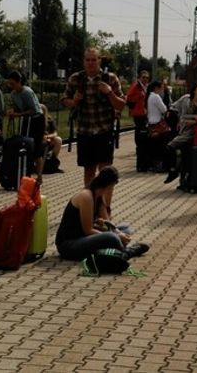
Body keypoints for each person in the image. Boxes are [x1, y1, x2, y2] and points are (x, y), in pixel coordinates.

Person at [55, 166, 149, 262]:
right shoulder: (86, 196)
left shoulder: (99, 196)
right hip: (69, 244)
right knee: (112, 237)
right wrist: (116, 236)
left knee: (126, 229)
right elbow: (88, 230)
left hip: (85, 238)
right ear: (110, 185)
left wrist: (118, 232)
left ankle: (117, 250)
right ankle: (126, 252)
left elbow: (107, 223)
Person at [63, 48, 126, 187]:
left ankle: (104, 205)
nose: (91, 63)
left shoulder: (110, 78)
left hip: (104, 130)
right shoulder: (76, 79)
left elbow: (121, 105)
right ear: (84, 61)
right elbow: (65, 100)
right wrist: (73, 101)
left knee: (105, 171)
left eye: (94, 60)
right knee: (88, 170)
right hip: (85, 131)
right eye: (87, 60)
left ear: (99, 61)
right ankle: (90, 203)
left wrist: (109, 93)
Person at [167, 82, 197, 185]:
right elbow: (175, 109)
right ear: (194, 90)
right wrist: (179, 119)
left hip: (196, 134)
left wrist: (196, 121)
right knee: (184, 155)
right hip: (184, 131)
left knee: (172, 146)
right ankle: (181, 178)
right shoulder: (186, 99)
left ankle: (177, 172)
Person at [5, 70, 45, 176]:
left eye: (13, 84)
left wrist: (19, 115)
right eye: (10, 84)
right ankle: (26, 170)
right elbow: (17, 107)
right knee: (25, 144)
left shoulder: (27, 92)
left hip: (36, 120)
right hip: (26, 120)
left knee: (36, 147)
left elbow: (34, 109)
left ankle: (39, 175)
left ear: (19, 82)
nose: (11, 86)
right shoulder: (13, 94)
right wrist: (13, 111)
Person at [145, 79, 173, 177]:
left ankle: (154, 166)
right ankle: (161, 166)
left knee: (154, 147)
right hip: (158, 125)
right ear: (157, 88)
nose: (162, 90)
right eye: (161, 88)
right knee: (161, 147)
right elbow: (164, 109)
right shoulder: (156, 96)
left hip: (151, 124)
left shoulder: (149, 96)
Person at [126, 69, 151, 170]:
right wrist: (139, 97)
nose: (145, 79)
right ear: (139, 77)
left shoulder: (145, 87)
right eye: (143, 77)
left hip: (143, 114)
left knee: (143, 139)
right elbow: (129, 98)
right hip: (138, 114)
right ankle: (140, 165)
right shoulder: (136, 86)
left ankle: (143, 163)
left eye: (147, 78)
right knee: (141, 139)